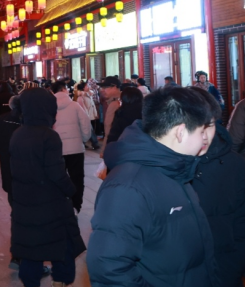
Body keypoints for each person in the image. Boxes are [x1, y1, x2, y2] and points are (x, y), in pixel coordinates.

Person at [87, 87, 219, 287]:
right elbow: (109, 269)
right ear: (181, 132)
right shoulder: (127, 188)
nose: (206, 138)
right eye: (201, 131)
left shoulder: (176, 168)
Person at [11, 88, 86, 287]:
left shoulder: (17, 134)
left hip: (25, 201)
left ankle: (30, 281)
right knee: (62, 242)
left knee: (31, 245)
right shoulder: (48, 136)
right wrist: (72, 190)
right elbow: (57, 173)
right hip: (50, 202)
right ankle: (60, 280)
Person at [189, 87, 245, 287]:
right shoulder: (160, 169)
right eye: (195, 126)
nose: (203, 135)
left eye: (209, 125)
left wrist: (233, 268)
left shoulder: (234, 164)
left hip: (225, 269)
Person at [51, 80, 92, 214]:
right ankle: (75, 205)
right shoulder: (75, 105)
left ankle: (59, 205)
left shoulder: (49, 106)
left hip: (56, 149)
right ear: (64, 89)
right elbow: (86, 124)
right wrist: (83, 139)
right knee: (77, 178)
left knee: (57, 177)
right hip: (75, 149)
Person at [76, 82, 100, 150]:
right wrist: (86, 117)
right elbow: (83, 108)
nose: (89, 86)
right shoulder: (81, 97)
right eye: (87, 85)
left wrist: (95, 114)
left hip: (89, 116)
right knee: (89, 130)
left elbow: (92, 105)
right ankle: (94, 143)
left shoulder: (89, 95)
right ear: (83, 88)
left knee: (85, 130)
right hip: (85, 117)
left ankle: (83, 143)